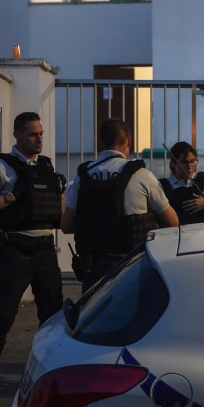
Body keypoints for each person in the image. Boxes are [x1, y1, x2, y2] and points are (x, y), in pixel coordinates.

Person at [0, 111, 65, 407]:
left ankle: (54, 387)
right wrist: (9, 199)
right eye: (33, 134)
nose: (39, 139)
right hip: (16, 251)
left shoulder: (46, 167)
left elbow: (59, 210)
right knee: (1, 321)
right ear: (17, 135)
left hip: (45, 251)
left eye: (41, 133)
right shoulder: (0, 168)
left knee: (54, 323)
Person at [61, 118, 179, 292]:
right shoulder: (141, 175)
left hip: (94, 268)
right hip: (133, 267)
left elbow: (66, 225)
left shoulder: (83, 175)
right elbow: (172, 221)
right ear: (128, 141)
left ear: (100, 142)